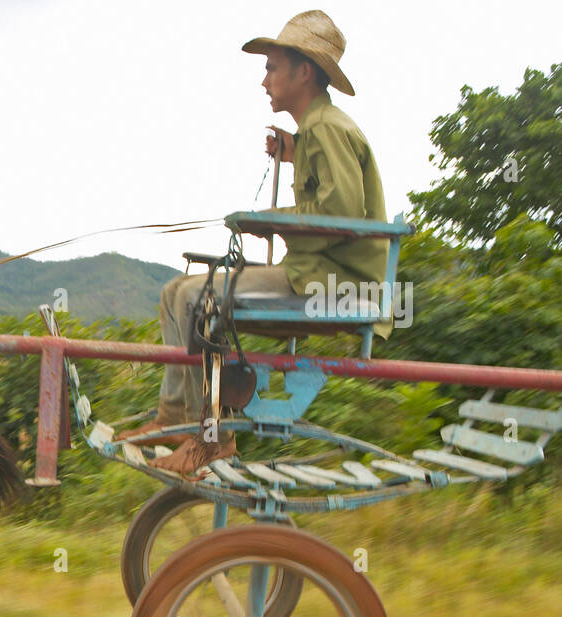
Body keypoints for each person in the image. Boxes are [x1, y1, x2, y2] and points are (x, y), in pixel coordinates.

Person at [123, 9, 388, 475]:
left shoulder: (326, 128)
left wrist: (266, 222)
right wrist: (293, 151)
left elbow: (341, 216)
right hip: (315, 275)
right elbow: (328, 191)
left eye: (270, 68)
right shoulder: (315, 131)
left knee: (191, 297)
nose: (264, 81)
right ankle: (177, 421)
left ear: (303, 71)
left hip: (333, 285)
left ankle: (209, 438)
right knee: (173, 293)